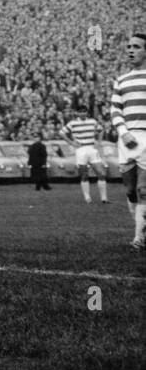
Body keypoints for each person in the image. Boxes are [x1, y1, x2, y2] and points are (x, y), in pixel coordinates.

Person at [110, 31, 146, 250]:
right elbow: (115, 110)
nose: (131, 50)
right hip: (126, 139)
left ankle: (138, 239)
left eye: (136, 47)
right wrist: (124, 132)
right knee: (130, 190)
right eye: (129, 47)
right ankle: (141, 227)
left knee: (143, 190)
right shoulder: (121, 80)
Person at [62, 107, 108, 204]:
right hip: (81, 150)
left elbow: (101, 130)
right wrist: (71, 143)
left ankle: (104, 198)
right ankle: (87, 198)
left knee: (101, 173)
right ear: (77, 113)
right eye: (80, 112)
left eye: (84, 111)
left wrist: (99, 142)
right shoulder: (72, 123)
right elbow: (62, 133)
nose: (83, 113)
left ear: (87, 112)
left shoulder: (92, 121)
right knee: (84, 175)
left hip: (92, 148)